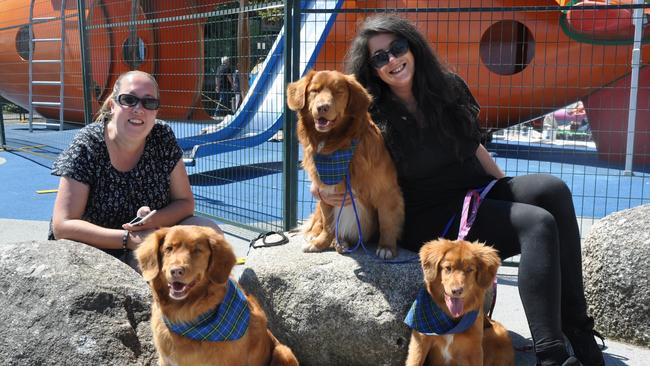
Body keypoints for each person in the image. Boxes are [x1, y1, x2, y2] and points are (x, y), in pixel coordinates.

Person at [316, 15, 604, 366]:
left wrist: (503, 186)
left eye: (397, 48)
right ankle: (552, 355)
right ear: (372, 68)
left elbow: (474, 146)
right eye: (379, 57)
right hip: (432, 213)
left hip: (474, 190)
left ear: (413, 47)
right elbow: (334, 148)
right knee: (536, 223)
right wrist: (324, 192)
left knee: (552, 190)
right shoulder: (371, 113)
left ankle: (577, 329)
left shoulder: (447, 87)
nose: (392, 60)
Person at [49, 70, 222, 270]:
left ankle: (218, 299)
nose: (138, 108)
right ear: (112, 105)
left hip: (149, 239)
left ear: (156, 111)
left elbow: (185, 203)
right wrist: (128, 239)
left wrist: (152, 222)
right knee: (153, 263)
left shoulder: (162, 136)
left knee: (209, 233)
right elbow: (63, 226)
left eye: (149, 103)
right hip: (93, 253)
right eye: (129, 100)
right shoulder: (88, 144)